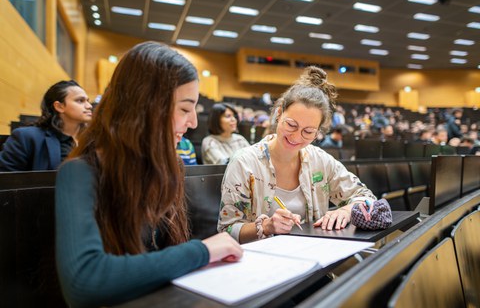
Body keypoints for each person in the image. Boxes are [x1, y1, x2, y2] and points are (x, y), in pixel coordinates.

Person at [55, 42, 243, 307]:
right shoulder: (79, 172)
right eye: (185, 109)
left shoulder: (169, 168)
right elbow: (84, 282)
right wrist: (202, 250)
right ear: (146, 107)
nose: (193, 123)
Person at [218, 66, 377, 244]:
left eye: (308, 132)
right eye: (291, 125)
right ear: (279, 114)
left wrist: (346, 211)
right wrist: (266, 226)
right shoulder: (245, 162)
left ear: (318, 132)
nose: (296, 137)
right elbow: (227, 230)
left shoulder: (320, 160)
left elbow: (367, 197)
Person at [0, 80, 92, 171]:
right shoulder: (26, 137)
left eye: (88, 101)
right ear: (59, 106)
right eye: (80, 101)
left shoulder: (94, 140)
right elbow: (6, 180)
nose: (89, 106)